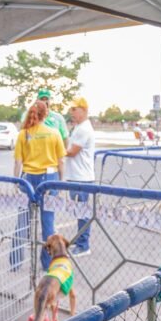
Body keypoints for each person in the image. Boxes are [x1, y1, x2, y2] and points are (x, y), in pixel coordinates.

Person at [10, 100, 66, 271]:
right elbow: (61, 160)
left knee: (22, 221)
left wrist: (16, 182)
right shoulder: (54, 133)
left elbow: (18, 161)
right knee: (48, 223)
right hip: (49, 179)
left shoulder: (23, 134)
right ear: (46, 114)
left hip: (27, 180)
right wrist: (61, 183)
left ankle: (15, 262)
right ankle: (47, 263)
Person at [65, 97, 96, 256]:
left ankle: (84, 245)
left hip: (81, 177)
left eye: (74, 109)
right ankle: (79, 240)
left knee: (82, 212)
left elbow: (72, 151)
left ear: (83, 110)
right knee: (79, 211)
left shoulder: (83, 129)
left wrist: (55, 151)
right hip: (77, 175)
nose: (72, 113)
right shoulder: (79, 127)